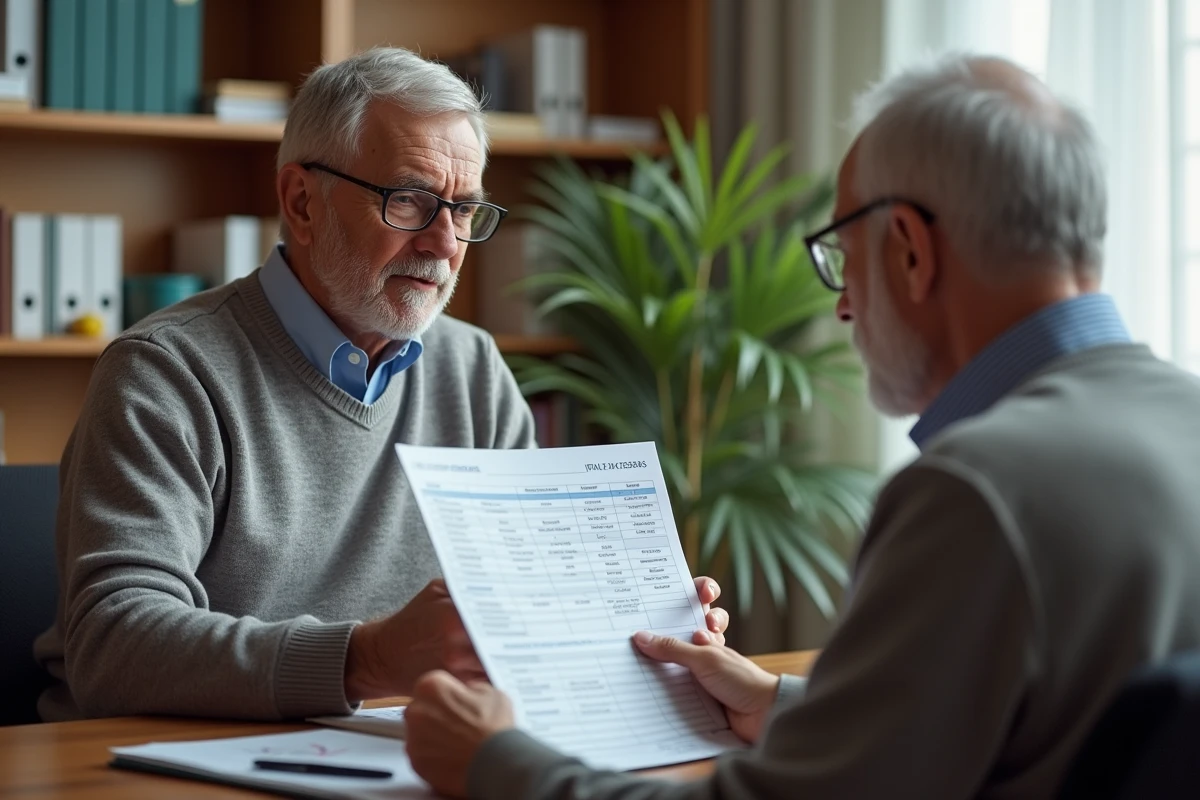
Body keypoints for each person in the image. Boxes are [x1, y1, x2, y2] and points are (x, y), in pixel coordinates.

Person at [403, 53, 1200, 799]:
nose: (844, 305)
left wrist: (496, 761)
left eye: (843, 257)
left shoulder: (977, 493)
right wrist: (786, 704)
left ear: (910, 250)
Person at [32, 47, 729, 722]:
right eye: (411, 201)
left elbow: (535, 598)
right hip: (168, 761)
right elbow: (112, 643)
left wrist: (642, 626)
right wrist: (365, 659)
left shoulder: (473, 369)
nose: (445, 244)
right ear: (302, 202)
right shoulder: (165, 372)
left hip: (402, 748)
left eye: (464, 210)